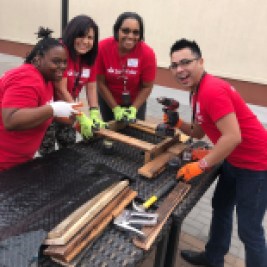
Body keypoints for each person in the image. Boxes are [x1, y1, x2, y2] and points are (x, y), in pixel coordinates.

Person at [167, 39, 267, 267]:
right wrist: (178, 122)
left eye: (185, 62)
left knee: (250, 231)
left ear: (201, 61)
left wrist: (201, 165)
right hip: (233, 159)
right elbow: (199, 131)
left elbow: (233, 137)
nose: (180, 69)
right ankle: (213, 258)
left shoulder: (212, 90)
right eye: (174, 65)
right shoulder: (196, 91)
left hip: (256, 164)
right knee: (221, 206)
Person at [0, 27, 79, 172]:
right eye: (56, 62)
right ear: (37, 60)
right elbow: (10, 120)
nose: (62, 67)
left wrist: (65, 116)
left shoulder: (47, 80)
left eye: (64, 62)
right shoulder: (28, 77)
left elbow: (37, 112)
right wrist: (53, 109)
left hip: (18, 163)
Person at [39, 15, 106, 156]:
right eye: (81, 36)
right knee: (47, 153)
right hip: (49, 110)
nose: (85, 42)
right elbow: (61, 89)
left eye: (90, 38)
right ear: (71, 34)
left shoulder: (90, 57)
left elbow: (92, 86)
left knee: (69, 148)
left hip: (69, 109)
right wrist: (81, 116)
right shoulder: (61, 52)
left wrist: (94, 112)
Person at [96, 11, 157, 123]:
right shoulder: (102, 48)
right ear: (117, 30)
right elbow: (100, 82)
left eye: (135, 32)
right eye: (125, 31)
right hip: (108, 99)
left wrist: (134, 109)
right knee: (112, 133)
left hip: (136, 101)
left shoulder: (147, 53)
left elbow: (147, 86)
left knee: (135, 134)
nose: (130, 36)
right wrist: (115, 108)